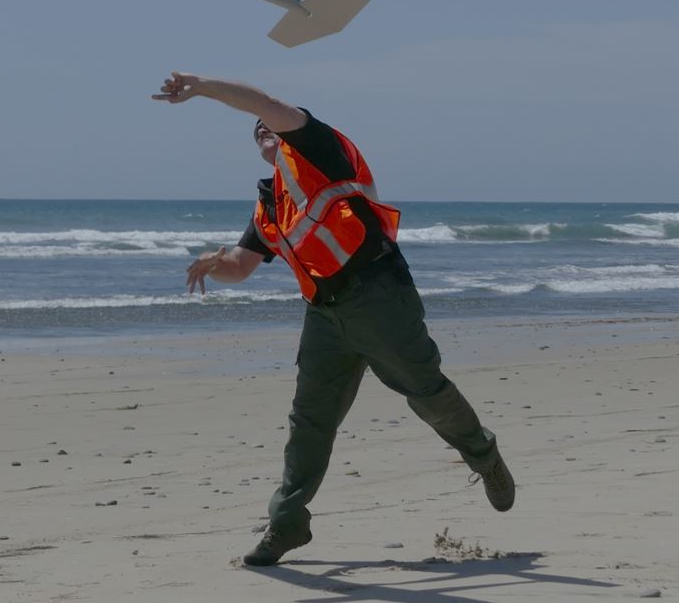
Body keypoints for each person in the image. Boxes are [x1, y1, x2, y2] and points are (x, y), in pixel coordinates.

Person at [152, 70, 514, 567]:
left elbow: (266, 102)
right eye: (254, 129)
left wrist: (204, 87)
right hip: (324, 315)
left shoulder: (318, 148)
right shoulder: (269, 203)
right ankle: (286, 527)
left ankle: (484, 457)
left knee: (426, 393)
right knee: (309, 423)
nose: (262, 128)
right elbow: (242, 265)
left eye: (268, 123)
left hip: (378, 295)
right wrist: (217, 265)